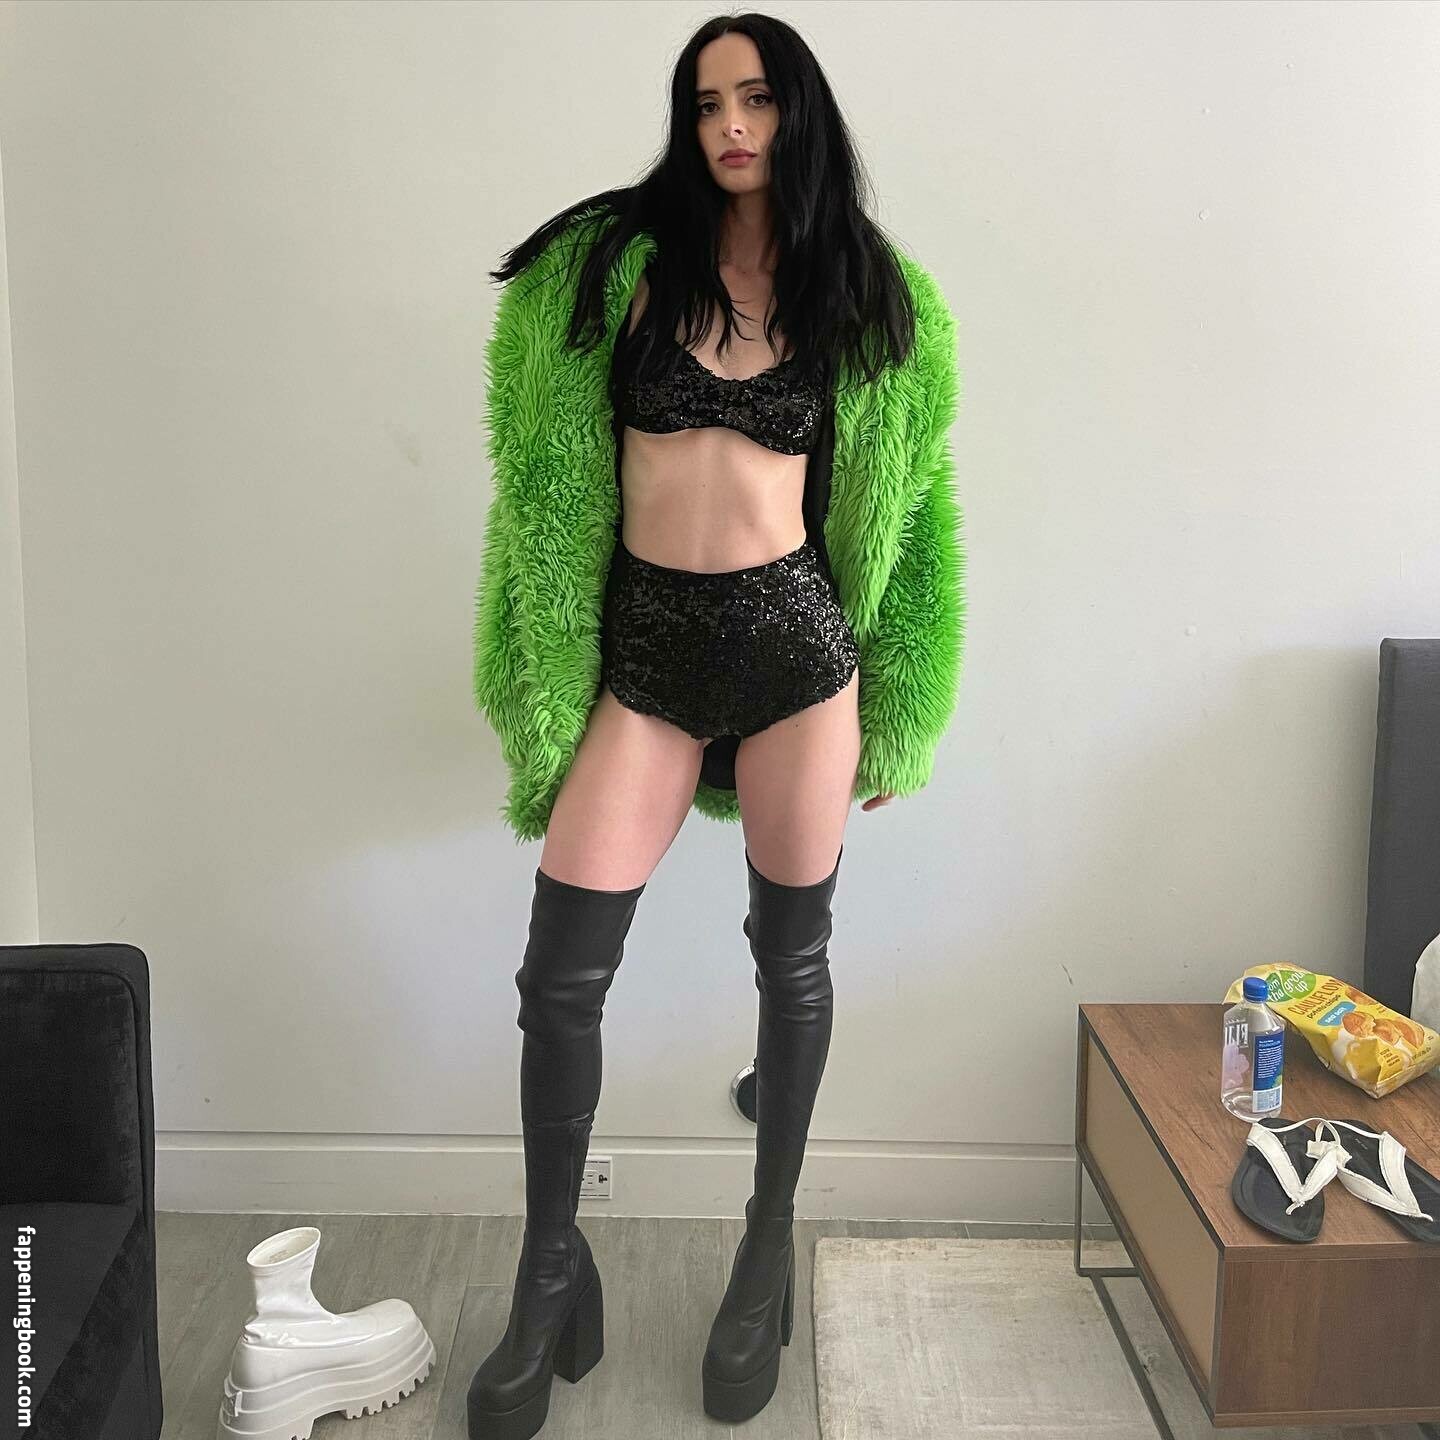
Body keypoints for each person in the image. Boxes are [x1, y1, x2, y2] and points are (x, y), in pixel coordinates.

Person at [466, 14, 964, 1439]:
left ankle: (764, 1247)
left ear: (799, 114)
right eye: (705, 103)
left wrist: (903, 709)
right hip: (648, 662)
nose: (731, 126)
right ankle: (550, 1270)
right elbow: (540, 487)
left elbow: (913, 509)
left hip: (798, 660)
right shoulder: (615, 273)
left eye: (755, 99)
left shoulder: (864, 293)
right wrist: (538, 672)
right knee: (558, 982)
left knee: (791, 962)